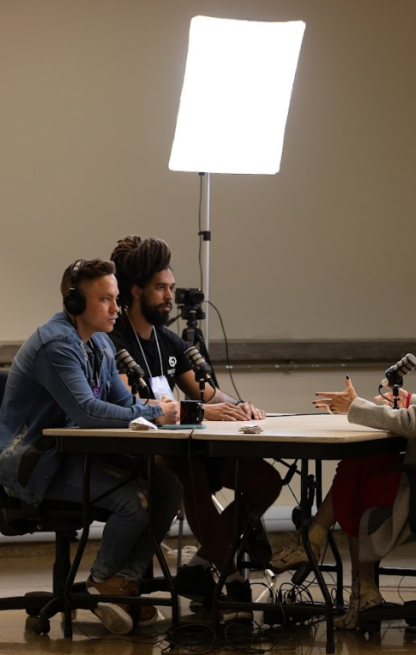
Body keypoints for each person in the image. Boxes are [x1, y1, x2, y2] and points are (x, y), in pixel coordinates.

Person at [270, 286, 416, 628]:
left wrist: (356, 407)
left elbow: (415, 423)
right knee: (362, 465)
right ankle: (350, 580)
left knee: (361, 481)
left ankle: (324, 550)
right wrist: (409, 399)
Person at [0, 258, 183, 635]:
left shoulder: (101, 345)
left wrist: (150, 409)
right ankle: (101, 580)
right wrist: (152, 413)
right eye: (106, 300)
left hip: (70, 455)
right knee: (133, 501)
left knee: (168, 487)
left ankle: (121, 583)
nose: (116, 308)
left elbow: (123, 403)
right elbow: (88, 411)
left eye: (116, 298)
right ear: (75, 304)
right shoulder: (56, 345)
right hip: (34, 464)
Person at [108, 236, 282, 618]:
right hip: (135, 454)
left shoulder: (167, 341)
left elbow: (207, 394)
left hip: (178, 447)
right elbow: (129, 404)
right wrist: (200, 414)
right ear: (135, 291)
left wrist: (238, 406)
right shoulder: (113, 340)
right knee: (190, 470)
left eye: (171, 287)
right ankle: (232, 579)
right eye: (160, 288)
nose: (170, 296)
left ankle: (199, 567)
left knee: (266, 481)